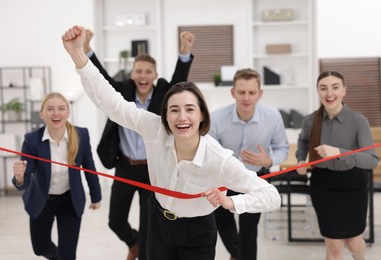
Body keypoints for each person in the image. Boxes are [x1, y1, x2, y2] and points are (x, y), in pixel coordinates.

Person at [62, 25, 281, 260]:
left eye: (190, 109)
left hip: (198, 234)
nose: (182, 117)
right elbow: (112, 104)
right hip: (159, 224)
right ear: (165, 115)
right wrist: (78, 55)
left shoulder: (218, 158)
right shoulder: (155, 129)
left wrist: (230, 202)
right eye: (174, 110)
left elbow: (271, 195)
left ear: (202, 115)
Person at [82, 28, 195, 260]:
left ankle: (142, 253)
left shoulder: (164, 92)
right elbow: (101, 78)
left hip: (151, 169)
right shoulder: (123, 91)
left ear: (155, 75)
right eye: (139, 71)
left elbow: (180, 82)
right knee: (115, 220)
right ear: (133, 74)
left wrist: (184, 51)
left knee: (149, 224)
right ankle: (133, 242)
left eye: (148, 72)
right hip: (125, 164)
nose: (143, 76)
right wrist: (87, 49)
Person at [296, 71, 379, 260]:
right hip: (322, 185)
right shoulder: (310, 120)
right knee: (333, 245)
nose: (329, 93)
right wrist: (301, 160)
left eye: (335, 87)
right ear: (317, 92)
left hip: (352, 185)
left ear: (344, 91)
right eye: (323, 88)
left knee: (353, 242)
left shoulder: (359, 121)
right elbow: (302, 143)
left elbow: (371, 160)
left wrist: (340, 153)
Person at [209, 68, 289, 260]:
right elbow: (209, 152)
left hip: (255, 178)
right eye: (241, 92)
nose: (246, 98)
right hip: (223, 180)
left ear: (260, 94)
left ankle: (242, 256)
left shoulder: (273, 117)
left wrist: (270, 160)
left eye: (252, 93)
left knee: (249, 229)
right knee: (223, 224)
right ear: (232, 93)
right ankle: (237, 254)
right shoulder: (216, 118)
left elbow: (283, 148)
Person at [11, 92, 102, 260]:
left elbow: (90, 168)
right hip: (42, 200)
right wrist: (19, 177)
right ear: (42, 114)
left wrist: (96, 196)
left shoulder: (81, 135)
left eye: (61, 108)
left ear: (68, 112)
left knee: (68, 255)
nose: (56, 113)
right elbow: (25, 178)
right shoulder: (32, 140)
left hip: (69, 200)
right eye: (50, 109)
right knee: (40, 248)